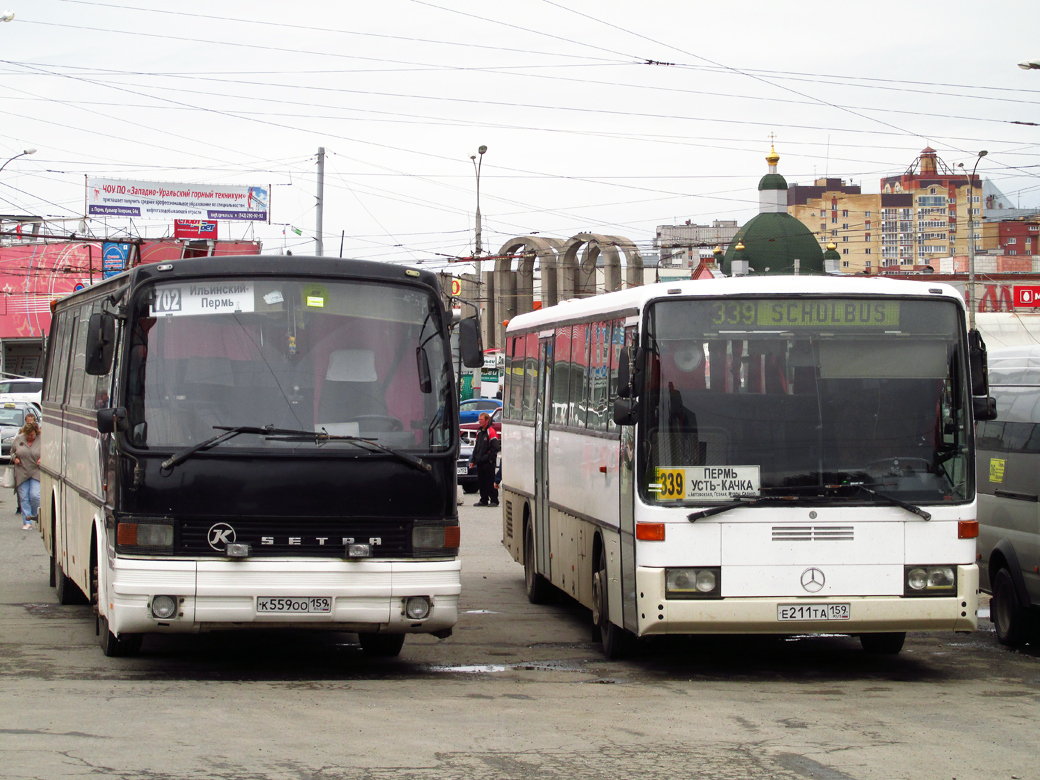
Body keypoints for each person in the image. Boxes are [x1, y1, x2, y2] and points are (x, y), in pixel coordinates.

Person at [12, 418, 41, 530]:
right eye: (28, 435)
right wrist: (15, 458)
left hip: (35, 470)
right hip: (22, 470)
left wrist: (42, 459)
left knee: (35, 495)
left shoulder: (41, 439)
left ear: (36, 433)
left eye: (32, 435)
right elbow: (12, 451)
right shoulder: (19, 439)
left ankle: (36, 516)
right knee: (24, 497)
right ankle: (27, 521)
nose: (30, 437)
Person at [468, 411, 500, 507]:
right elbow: (477, 447)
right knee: (482, 481)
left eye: (481, 420)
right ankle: (484, 499)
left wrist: (490, 459)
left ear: (486, 420)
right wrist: (473, 460)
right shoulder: (479, 432)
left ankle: (494, 500)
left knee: (490, 480)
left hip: (488, 462)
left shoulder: (491, 431)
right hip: (480, 461)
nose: (479, 421)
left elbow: (495, 447)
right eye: (479, 420)